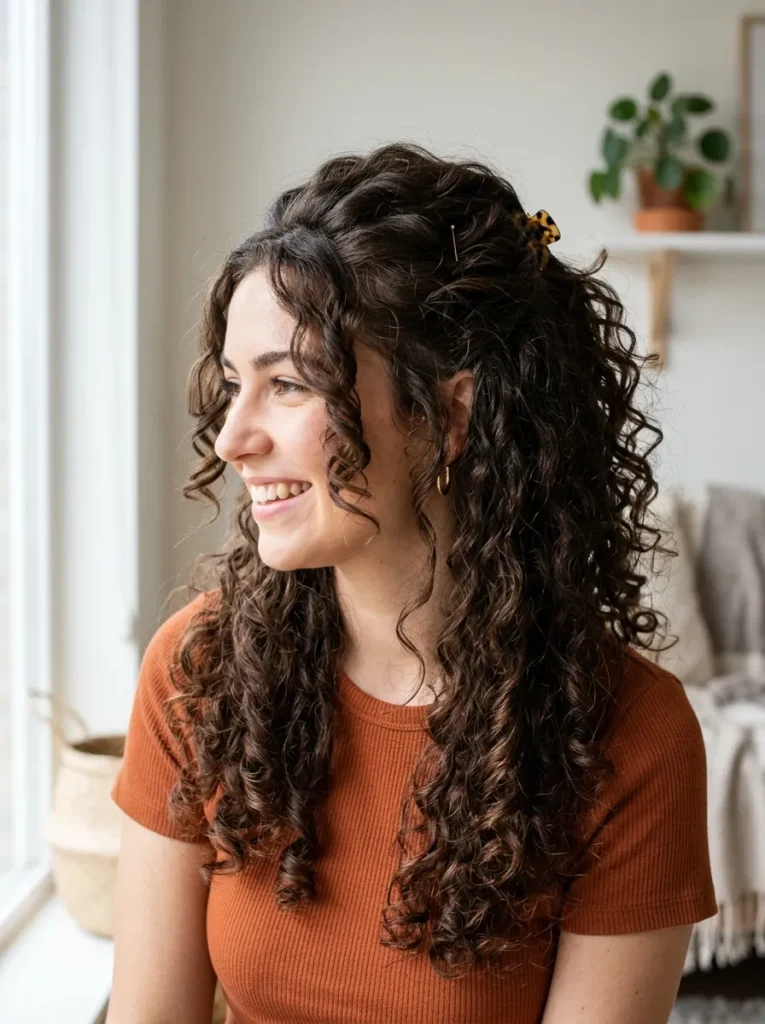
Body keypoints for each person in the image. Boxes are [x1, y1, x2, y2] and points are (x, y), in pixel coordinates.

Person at [106, 141, 717, 1024]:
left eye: (287, 385)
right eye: (235, 384)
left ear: (450, 414)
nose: (230, 439)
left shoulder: (632, 736)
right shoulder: (197, 670)